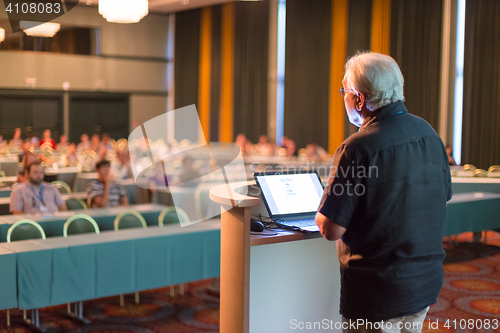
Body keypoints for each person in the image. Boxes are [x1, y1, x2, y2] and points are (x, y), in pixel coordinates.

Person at [315, 52, 452, 332]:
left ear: (359, 99)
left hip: (378, 293)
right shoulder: (429, 134)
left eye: (344, 91)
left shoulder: (356, 148)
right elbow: (441, 196)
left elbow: (331, 229)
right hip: (424, 282)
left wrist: (320, 209)